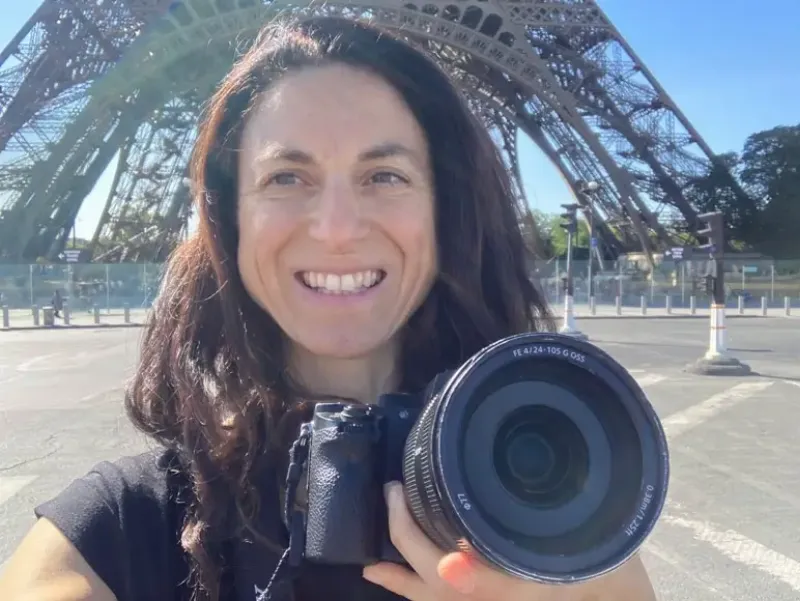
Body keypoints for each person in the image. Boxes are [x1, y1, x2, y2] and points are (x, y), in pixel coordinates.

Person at [0, 16, 657, 601]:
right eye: (287, 177)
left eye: (385, 175)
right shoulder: (114, 533)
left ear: (445, 211)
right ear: (228, 221)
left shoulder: (571, 558)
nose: (338, 227)